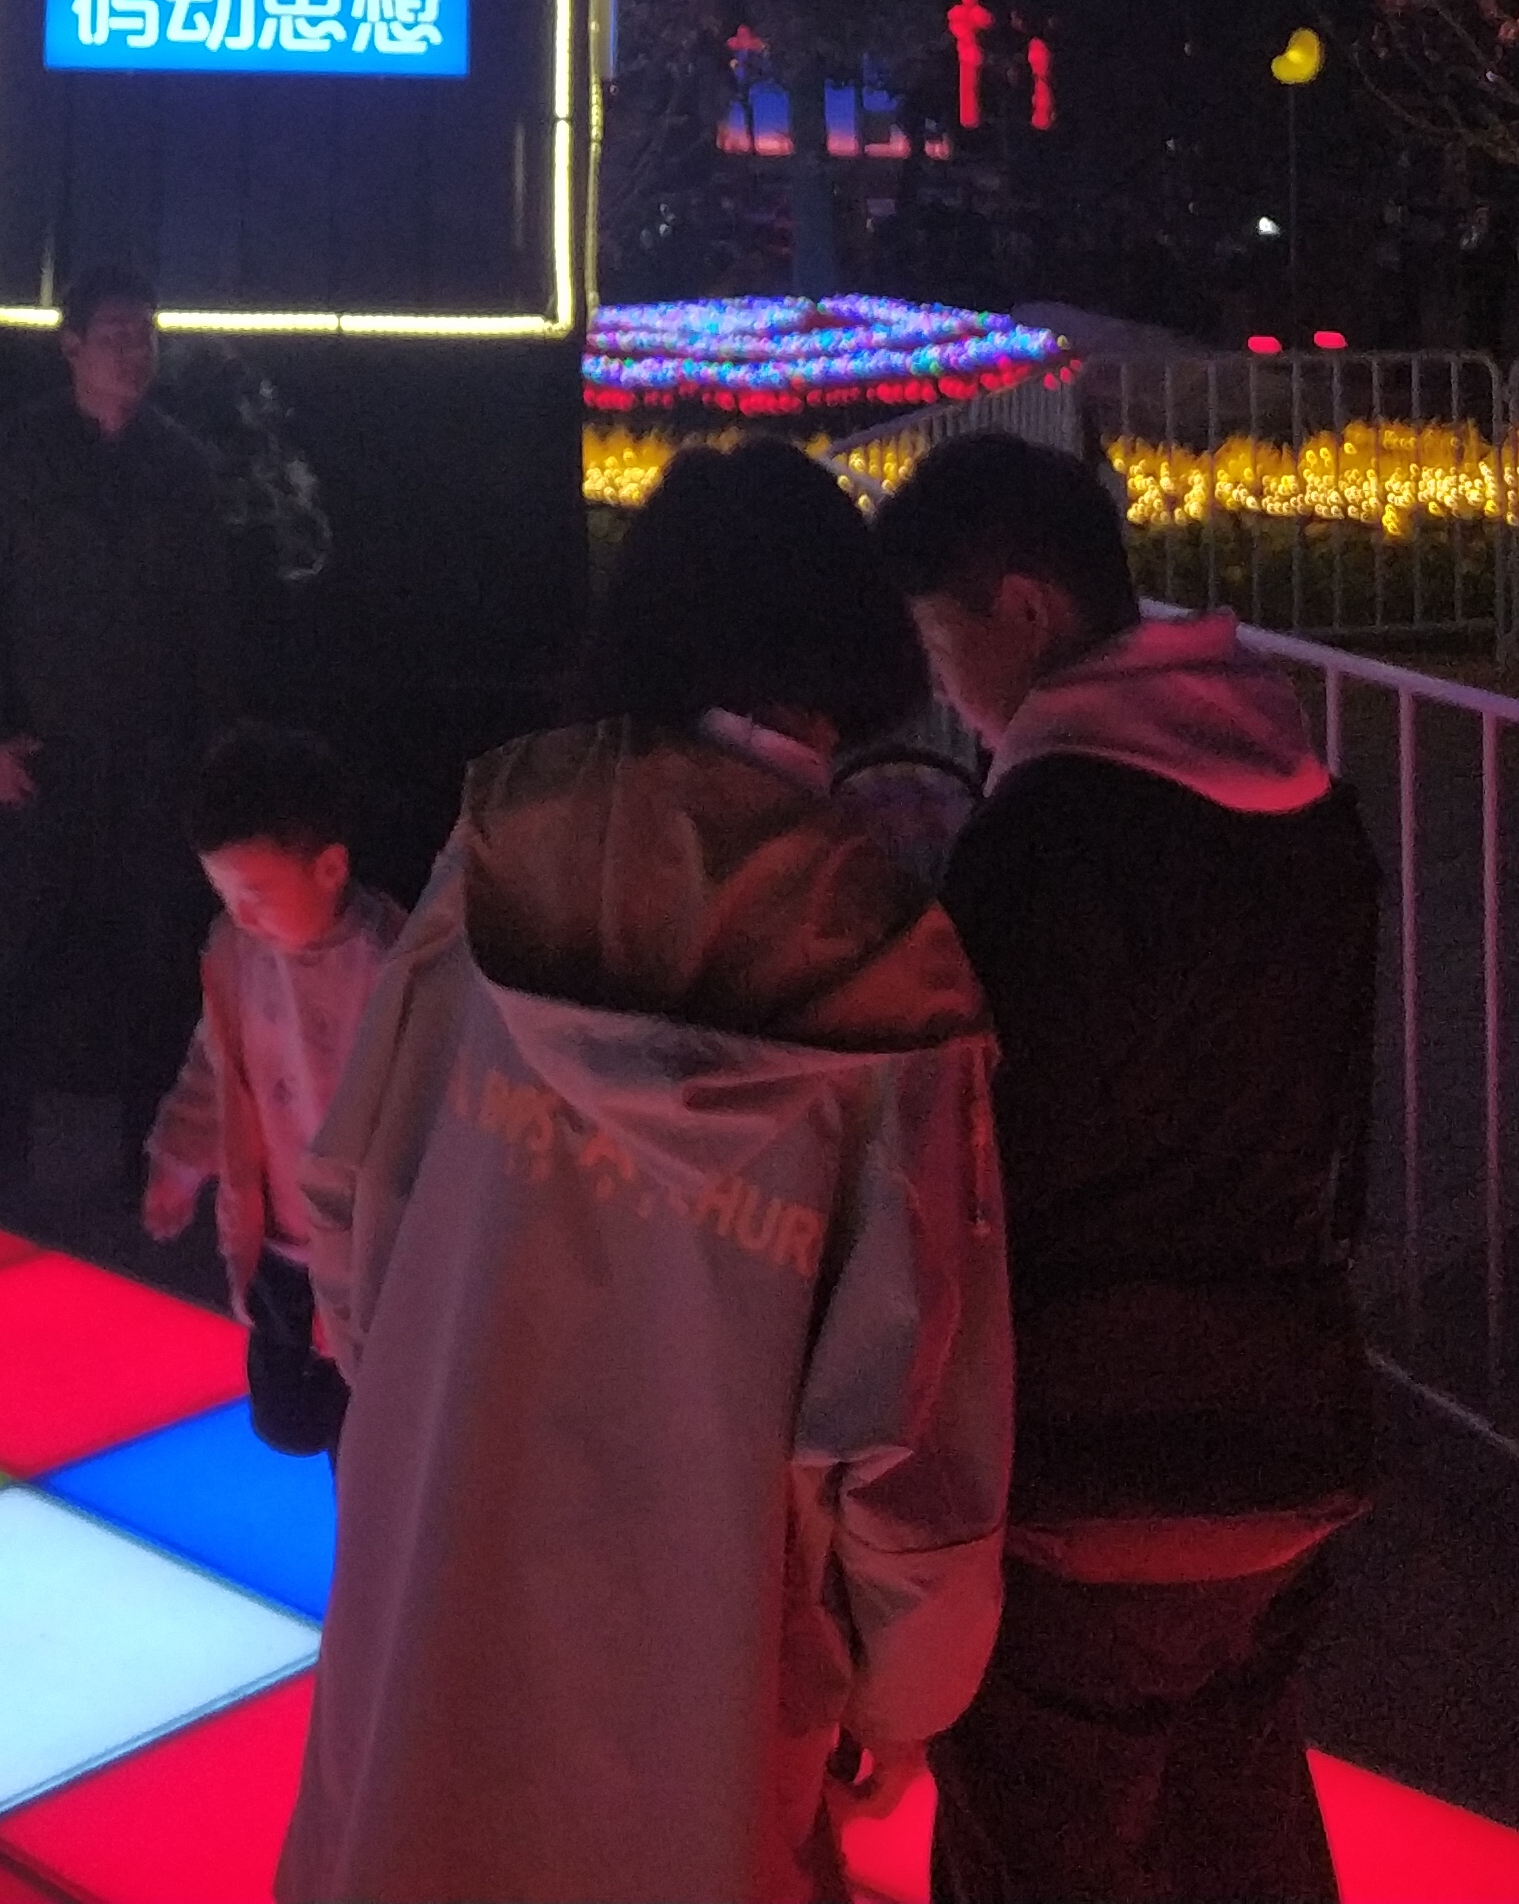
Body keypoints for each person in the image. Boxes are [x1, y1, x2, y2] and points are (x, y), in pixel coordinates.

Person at [278, 437, 1010, 1904]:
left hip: (440, 1589)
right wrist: (903, 1691)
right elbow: (913, 1419)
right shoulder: (892, 972)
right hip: (708, 1670)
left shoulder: (498, 848)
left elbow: (353, 1201)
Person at [872, 433, 1380, 1904]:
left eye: (940, 642)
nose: (943, 688)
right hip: (1287, 1427)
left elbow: (988, 1167)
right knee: (1241, 1832)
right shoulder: (1304, 794)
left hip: (1090, 1468)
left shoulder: (1048, 836)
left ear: (1023, 609)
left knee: (1046, 1846)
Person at [0, 263, 233, 1197]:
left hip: (152, 753)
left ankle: (148, 1148)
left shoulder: (182, 464)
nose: (133, 352)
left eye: (144, 335)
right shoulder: (22, 452)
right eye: (114, 336)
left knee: (154, 956)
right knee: (23, 948)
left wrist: (208, 757)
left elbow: (210, 625)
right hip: (45, 747)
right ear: (71, 347)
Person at [143, 725, 404, 1460]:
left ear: (329, 868)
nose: (241, 914)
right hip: (275, 1243)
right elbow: (215, 1068)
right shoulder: (236, 954)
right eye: (225, 895)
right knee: (285, 1420)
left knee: (365, 1430)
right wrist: (179, 1162)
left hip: (364, 1256)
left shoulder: (391, 966)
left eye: (256, 893)